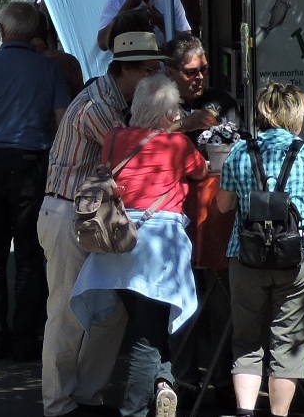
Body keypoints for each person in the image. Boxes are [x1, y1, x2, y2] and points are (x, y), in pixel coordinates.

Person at [39, 31, 168, 417]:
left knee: (111, 312)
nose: (155, 76)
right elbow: (132, 152)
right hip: (69, 215)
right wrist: (178, 128)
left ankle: (86, 395)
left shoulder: (115, 100)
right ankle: (58, 403)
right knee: (66, 314)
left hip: (91, 216)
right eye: (149, 70)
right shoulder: (97, 106)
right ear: (126, 72)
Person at [69, 75, 207, 417]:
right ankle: (134, 409)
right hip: (158, 247)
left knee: (147, 324)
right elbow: (201, 172)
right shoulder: (177, 145)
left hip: (118, 240)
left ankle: (163, 382)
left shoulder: (114, 138)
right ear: (168, 114)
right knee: (147, 335)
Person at [216, 84, 304, 417]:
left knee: (247, 341)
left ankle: (246, 412)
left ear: (264, 112)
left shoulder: (239, 151)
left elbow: (223, 206)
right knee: (288, 345)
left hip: (245, 256)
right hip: (298, 258)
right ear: (296, 115)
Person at [0, 0, 70, 360]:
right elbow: (63, 120)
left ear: (3, 31)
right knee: (28, 255)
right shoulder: (47, 70)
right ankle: (24, 335)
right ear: (33, 32)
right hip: (30, 165)